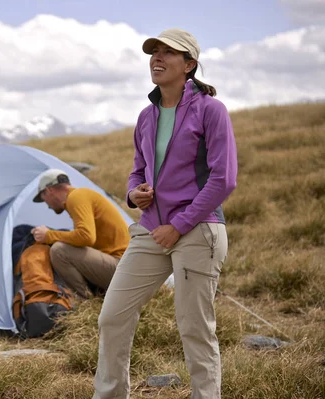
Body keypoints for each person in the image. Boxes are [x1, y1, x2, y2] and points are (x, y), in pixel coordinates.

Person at [92, 28, 238, 399]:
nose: (157, 58)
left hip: (197, 231)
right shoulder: (146, 115)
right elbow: (139, 168)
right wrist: (133, 192)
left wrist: (180, 225)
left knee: (194, 328)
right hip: (151, 230)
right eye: (153, 52)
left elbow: (224, 179)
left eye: (168, 53)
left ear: (189, 64)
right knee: (112, 317)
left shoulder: (211, 110)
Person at [30, 169, 131, 299]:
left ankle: (84, 301)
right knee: (66, 245)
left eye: (44, 199)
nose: (47, 205)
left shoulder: (76, 197)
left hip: (123, 269)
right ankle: (99, 295)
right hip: (125, 268)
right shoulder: (82, 196)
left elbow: (86, 236)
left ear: (49, 190)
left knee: (59, 250)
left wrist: (49, 235)